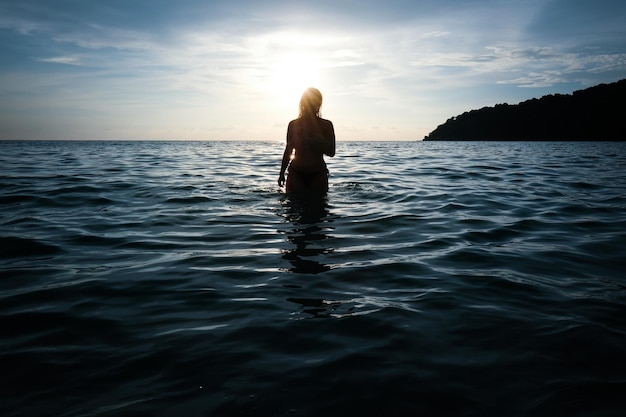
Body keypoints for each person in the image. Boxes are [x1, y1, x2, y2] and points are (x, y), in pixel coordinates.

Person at [278, 88, 336, 193]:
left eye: (314, 102)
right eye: (308, 102)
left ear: (318, 104)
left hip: (318, 173)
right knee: (293, 206)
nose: (311, 105)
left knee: (317, 206)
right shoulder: (293, 125)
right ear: (303, 103)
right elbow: (288, 150)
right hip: (296, 172)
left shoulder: (326, 125)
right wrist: (281, 173)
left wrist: (317, 140)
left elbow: (331, 152)